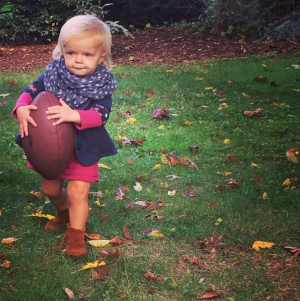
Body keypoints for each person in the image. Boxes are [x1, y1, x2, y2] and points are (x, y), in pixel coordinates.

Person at [12, 14, 118, 257]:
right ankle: (62, 211)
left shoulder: (100, 84)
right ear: (62, 51)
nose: (78, 60)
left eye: (87, 54)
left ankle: (75, 234)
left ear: (101, 56)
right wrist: (20, 107)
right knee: (50, 189)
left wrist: (75, 115)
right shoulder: (53, 73)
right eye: (71, 53)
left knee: (78, 193)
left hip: (83, 147)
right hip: (50, 147)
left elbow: (102, 115)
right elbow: (30, 90)